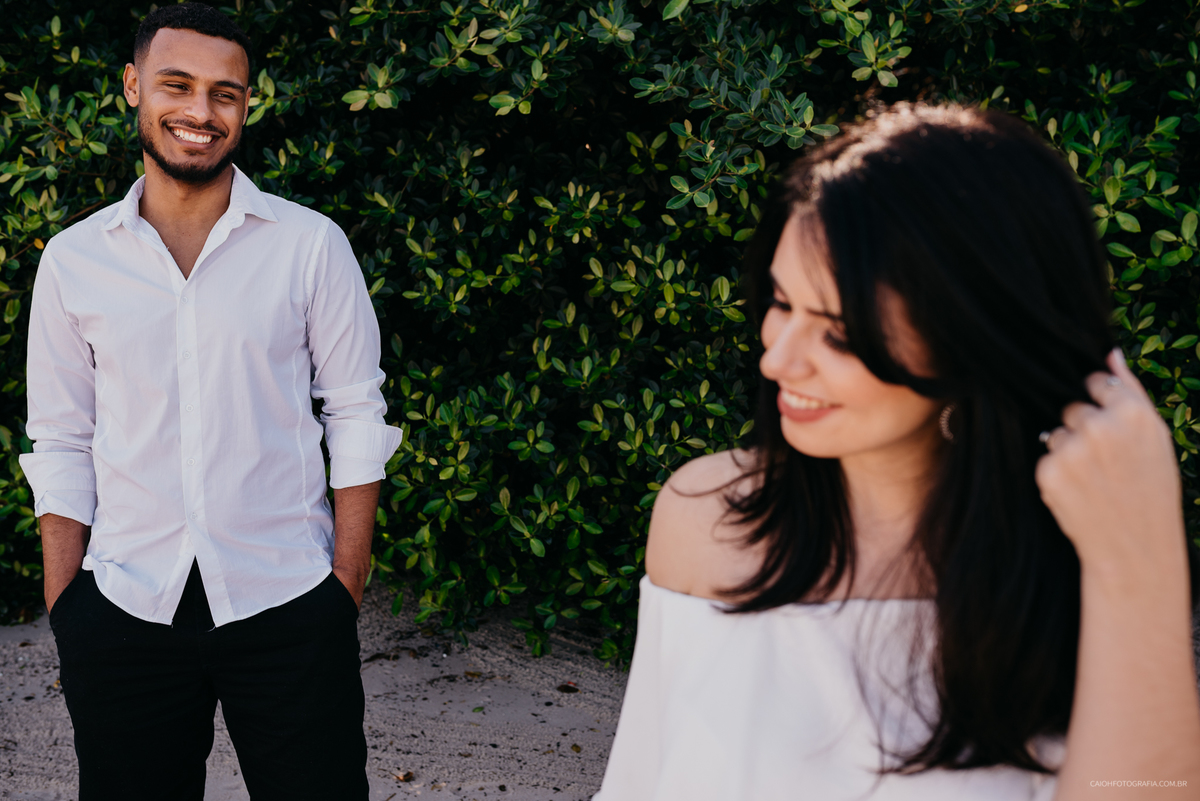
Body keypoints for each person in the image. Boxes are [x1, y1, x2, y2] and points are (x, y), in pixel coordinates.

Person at [594, 104, 1200, 799]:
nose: (777, 360)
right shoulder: (709, 523)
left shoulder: (1091, 573)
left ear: (977, 337)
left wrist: (1138, 568)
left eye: (839, 333)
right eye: (782, 303)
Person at [21, 4, 401, 799]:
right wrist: (67, 602)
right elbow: (60, 435)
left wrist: (345, 583)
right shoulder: (74, 260)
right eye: (177, 84)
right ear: (133, 86)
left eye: (224, 93)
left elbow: (356, 412)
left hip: (290, 601)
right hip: (123, 608)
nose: (201, 110)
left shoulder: (310, 245)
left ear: (246, 105)